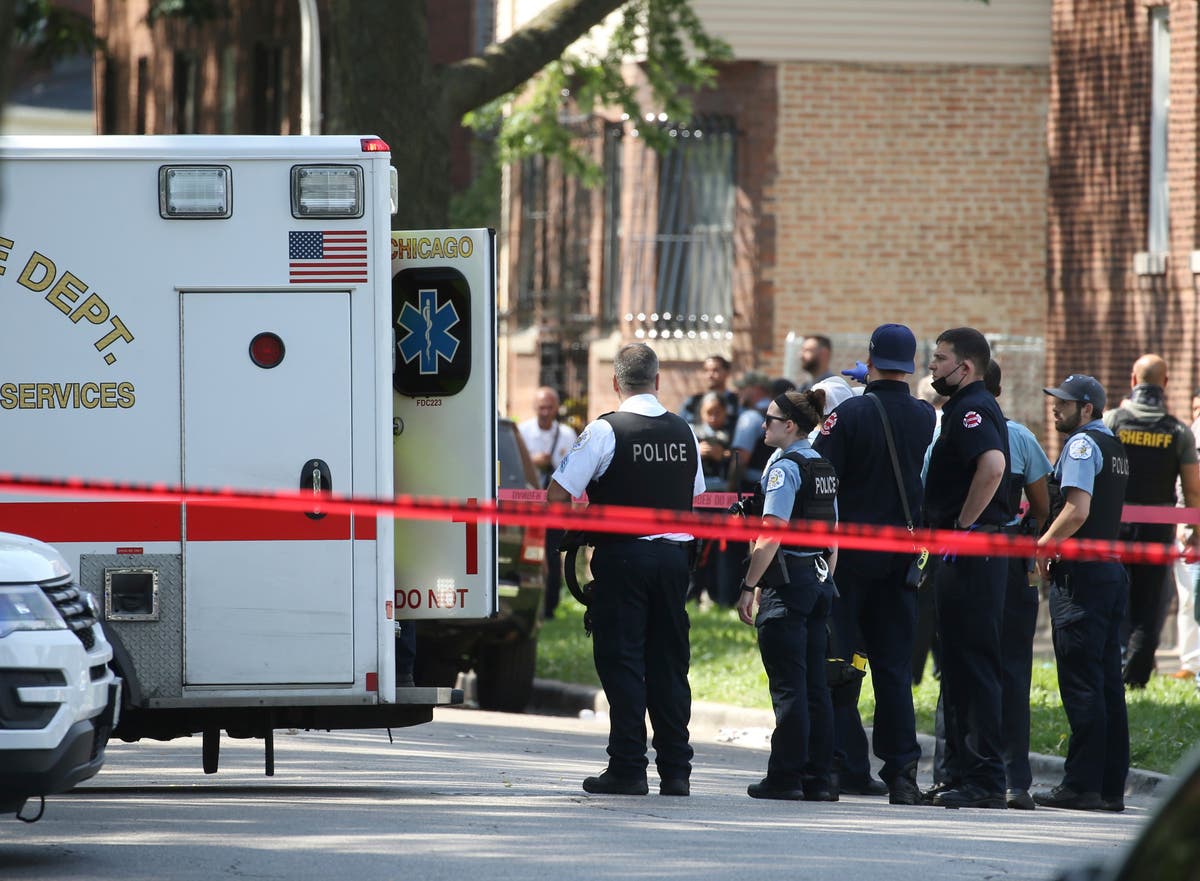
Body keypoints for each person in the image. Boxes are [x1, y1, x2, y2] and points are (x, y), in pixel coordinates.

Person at [547, 343, 705, 797]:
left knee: (622, 661)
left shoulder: (604, 431)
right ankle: (676, 771)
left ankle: (628, 768)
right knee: (670, 665)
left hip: (624, 561)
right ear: (657, 382)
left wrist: (578, 532)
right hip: (675, 563)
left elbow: (559, 494)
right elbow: (693, 497)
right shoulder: (685, 431)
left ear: (615, 383)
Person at [812, 323, 935, 804]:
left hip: (850, 560)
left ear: (870, 359)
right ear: (911, 365)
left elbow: (820, 478)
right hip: (904, 559)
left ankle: (841, 764)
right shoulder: (928, 417)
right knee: (893, 669)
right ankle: (902, 773)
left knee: (840, 662)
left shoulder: (849, 415)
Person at [921, 327, 1011, 809]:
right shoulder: (959, 407)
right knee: (954, 666)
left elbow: (992, 466)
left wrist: (962, 526)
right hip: (962, 553)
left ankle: (984, 780)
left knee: (973, 666)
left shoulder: (973, 408)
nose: (932, 367)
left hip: (972, 552)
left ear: (966, 367)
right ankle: (958, 772)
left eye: (939, 359)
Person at [1033, 375, 1130, 811]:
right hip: (1109, 574)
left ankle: (1081, 785)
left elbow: (1077, 509)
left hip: (1082, 580)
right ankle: (1109, 786)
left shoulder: (1081, 446)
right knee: (1108, 682)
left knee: (1082, 683)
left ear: (1086, 409)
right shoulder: (1114, 446)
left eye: (1065, 403)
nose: (1055, 409)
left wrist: (1044, 544)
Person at [736, 388, 838, 801]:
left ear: (790, 426)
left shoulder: (785, 467)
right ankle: (819, 779)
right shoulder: (823, 464)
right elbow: (833, 536)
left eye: (771, 419)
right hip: (816, 580)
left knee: (789, 686)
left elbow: (771, 532)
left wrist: (749, 585)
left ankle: (785, 778)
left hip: (789, 582)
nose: (763, 425)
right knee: (815, 685)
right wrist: (825, 580)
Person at [1102, 355, 1200, 687]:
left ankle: (1113, 671)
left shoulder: (1112, 421)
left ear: (1132, 380)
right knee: (1148, 604)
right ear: (1167, 383)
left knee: (1113, 598)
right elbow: (1192, 491)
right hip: (1157, 532)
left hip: (1112, 528)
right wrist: (1195, 532)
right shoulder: (1178, 431)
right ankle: (1137, 678)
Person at [984, 360, 1053, 810]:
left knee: (965, 666)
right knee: (1014, 669)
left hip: (966, 558)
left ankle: (970, 772)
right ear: (1001, 389)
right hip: (1014, 557)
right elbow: (1044, 505)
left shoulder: (948, 434)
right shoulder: (1023, 437)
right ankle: (1016, 781)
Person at [518, 386, 578, 618]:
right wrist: (533, 461)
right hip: (527, 506)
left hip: (555, 506)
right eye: (541, 407)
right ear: (535, 408)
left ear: (556, 409)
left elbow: (574, 468)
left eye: (549, 407)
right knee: (527, 555)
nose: (545, 411)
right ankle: (527, 605)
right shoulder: (522, 432)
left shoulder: (567, 434)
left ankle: (551, 607)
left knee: (553, 556)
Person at [689, 392, 737, 607]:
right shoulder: (691, 432)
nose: (713, 417)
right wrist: (696, 452)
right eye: (709, 412)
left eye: (718, 413)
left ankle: (719, 596)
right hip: (698, 501)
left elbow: (739, 462)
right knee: (694, 549)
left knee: (720, 552)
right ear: (700, 412)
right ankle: (691, 594)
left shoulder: (733, 433)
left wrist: (723, 456)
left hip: (723, 500)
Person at [728, 370, 774, 493]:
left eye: (742, 387)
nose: (738, 392)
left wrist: (730, 490)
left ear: (757, 389)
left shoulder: (750, 417)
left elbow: (740, 459)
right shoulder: (782, 414)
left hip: (752, 490)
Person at [680, 355, 739, 426]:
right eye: (706, 371)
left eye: (715, 370)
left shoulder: (736, 401)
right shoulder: (693, 401)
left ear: (727, 373)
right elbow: (681, 426)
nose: (710, 375)